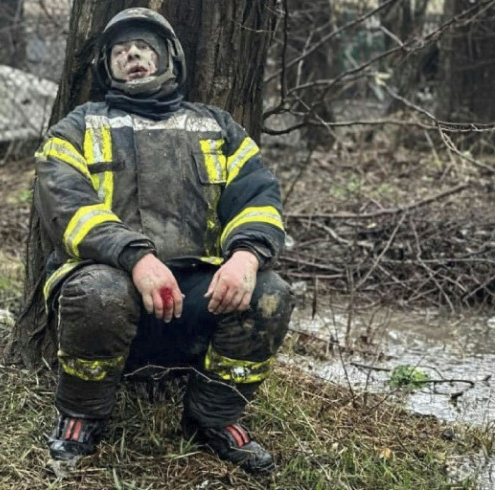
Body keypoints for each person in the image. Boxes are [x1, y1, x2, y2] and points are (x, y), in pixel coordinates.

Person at [33, 7, 293, 474]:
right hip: (111, 285)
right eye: (119, 51)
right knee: (97, 293)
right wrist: (135, 257)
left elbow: (258, 196)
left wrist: (247, 257)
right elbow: (65, 206)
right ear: (105, 66)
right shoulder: (77, 128)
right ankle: (82, 414)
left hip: (200, 294)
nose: (132, 54)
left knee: (270, 296)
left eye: (144, 47)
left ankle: (214, 417)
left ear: (169, 57)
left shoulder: (218, 127)